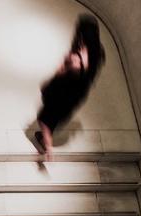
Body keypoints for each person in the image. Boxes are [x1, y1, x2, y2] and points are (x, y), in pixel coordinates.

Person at [35, 14, 105, 159]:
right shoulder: (98, 52)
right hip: (77, 93)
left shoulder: (78, 52)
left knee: (44, 117)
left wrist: (59, 71)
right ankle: (45, 139)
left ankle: (47, 144)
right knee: (54, 117)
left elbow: (64, 71)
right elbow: (89, 74)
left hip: (63, 87)